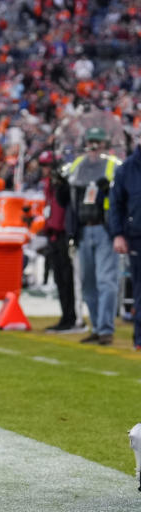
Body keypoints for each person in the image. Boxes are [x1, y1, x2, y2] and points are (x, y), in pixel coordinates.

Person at [63, 127, 121, 345]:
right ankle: (96, 326)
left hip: (105, 228)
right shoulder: (78, 166)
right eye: (91, 142)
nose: (94, 146)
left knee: (106, 280)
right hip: (83, 229)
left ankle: (106, 329)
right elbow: (67, 197)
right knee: (87, 282)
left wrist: (110, 190)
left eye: (98, 142)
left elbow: (122, 195)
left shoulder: (114, 165)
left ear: (106, 145)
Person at [38, 150, 79, 332]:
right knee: (60, 279)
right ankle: (65, 316)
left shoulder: (64, 184)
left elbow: (67, 205)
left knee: (68, 278)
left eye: (47, 165)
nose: (44, 169)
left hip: (64, 235)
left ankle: (72, 318)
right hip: (53, 235)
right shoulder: (49, 185)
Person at [109, 131, 141, 350]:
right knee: (140, 288)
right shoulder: (126, 169)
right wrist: (118, 234)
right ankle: (140, 338)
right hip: (137, 236)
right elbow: (116, 205)